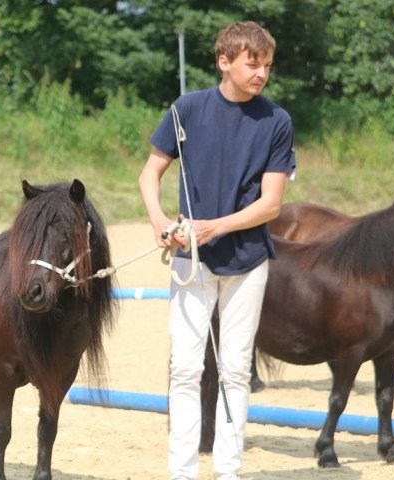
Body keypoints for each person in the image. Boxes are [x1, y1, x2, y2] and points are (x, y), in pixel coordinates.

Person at [138, 21, 296, 480]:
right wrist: (160, 222)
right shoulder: (184, 109)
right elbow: (150, 176)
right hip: (191, 261)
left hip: (248, 262)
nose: (261, 73)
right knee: (185, 368)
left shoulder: (277, 121)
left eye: (266, 65)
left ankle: (229, 473)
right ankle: (182, 473)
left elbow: (271, 204)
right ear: (224, 62)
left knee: (235, 371)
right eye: (253, 63)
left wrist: (214, 228)